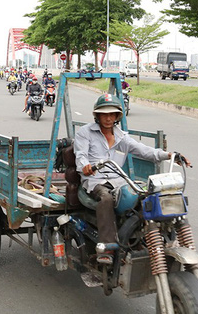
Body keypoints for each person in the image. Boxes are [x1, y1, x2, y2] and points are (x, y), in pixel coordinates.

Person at [74, 93, 191, 264]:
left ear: (117, 116)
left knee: (147, 195)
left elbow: (144, 150)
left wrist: (169, 155)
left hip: (119, 179)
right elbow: (81, 155)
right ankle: (107, 246)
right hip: (95, 180)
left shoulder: (122, 136)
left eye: (112, 114)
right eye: (104, 114)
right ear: (97, 115)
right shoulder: (85, 132)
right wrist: (85, 166)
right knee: (106, 198)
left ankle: (148, 237)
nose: (108, 118)